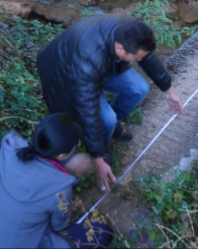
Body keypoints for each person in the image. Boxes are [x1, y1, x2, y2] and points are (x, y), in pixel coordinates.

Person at [36, 14, 184, 192]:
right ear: (120, 48)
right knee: (106, 118)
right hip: (65, 73)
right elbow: (88, 109)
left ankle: (109, 129)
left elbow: (146, 56)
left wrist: (168, 90)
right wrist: (97, 157)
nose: (139, 60)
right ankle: (103, 142)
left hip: (103, 64)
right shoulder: (88, 60)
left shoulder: (129, 30)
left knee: (139, 88)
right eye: (136, 57)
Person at [0, 114, 113, 248]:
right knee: (102, 232)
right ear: (61, 155)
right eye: (76, 144)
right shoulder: (60, 189)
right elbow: (59, 225)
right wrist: (67, 174)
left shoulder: (10, 149)